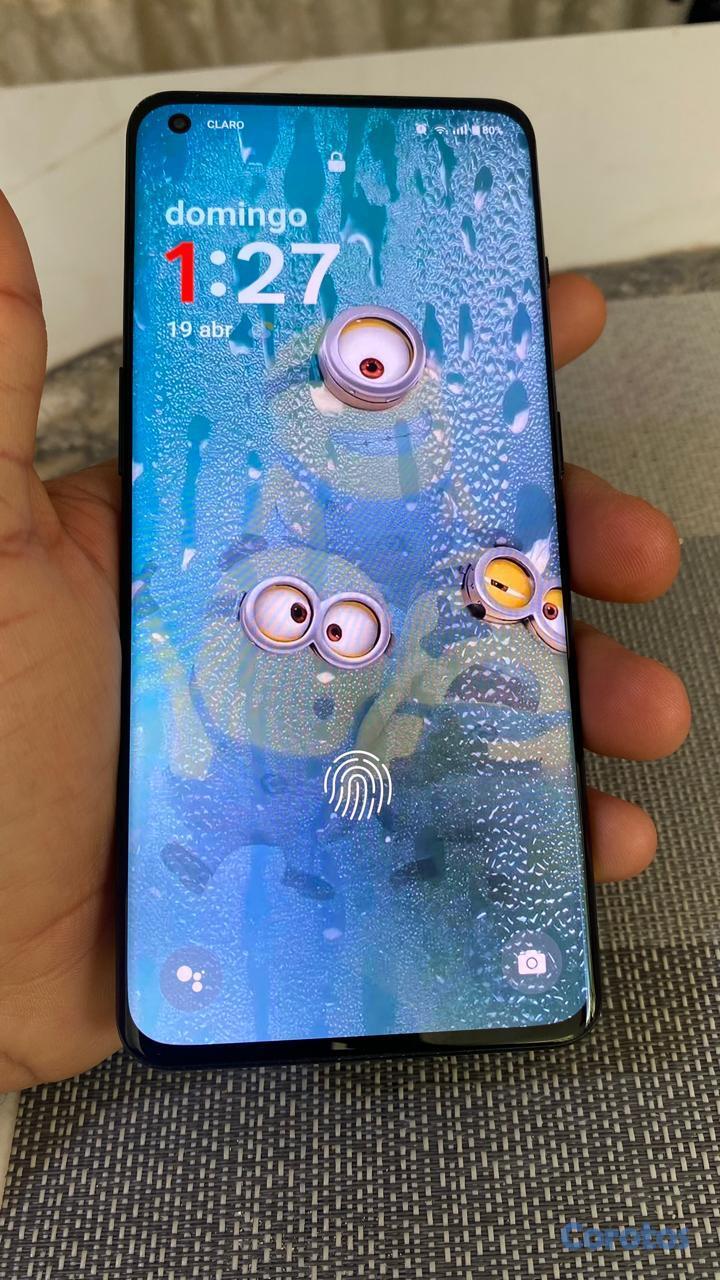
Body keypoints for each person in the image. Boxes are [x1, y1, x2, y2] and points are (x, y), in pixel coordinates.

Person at [0, 192, 691, 1090]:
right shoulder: (273, 525)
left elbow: (465, 561)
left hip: (399, 719)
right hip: (293, 721)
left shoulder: (443, 518)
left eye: (396, 374)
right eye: (345, 377)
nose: (373, 390)